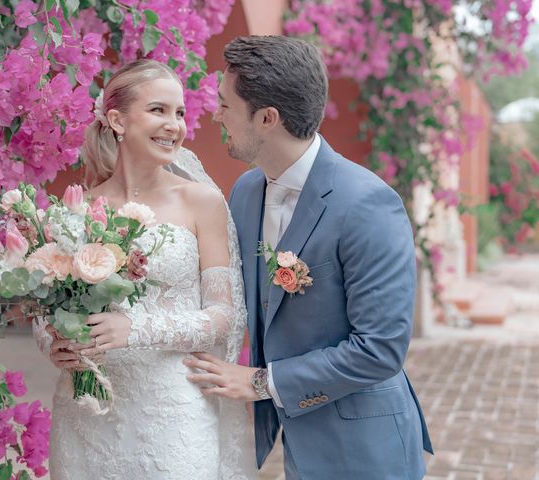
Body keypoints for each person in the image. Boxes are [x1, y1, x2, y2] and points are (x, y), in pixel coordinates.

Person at [184, 36, 433, 479]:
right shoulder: (244, 193)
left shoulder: (369, 205)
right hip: (292, 441)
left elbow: (380, 348)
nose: (216, 114)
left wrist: (261, 382)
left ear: (266, 118)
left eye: (225, 104)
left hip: (364, 447)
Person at [33, 59, 256, 479]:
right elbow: (49, 307)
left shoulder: (201, 203)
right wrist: (54, 343)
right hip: (88, 411)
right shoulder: (77, 209)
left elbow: (224, 317)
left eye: (180, 113)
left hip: (172, 413)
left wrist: (134, 331)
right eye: (159, 110)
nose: (174, 125)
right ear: (116, 119)